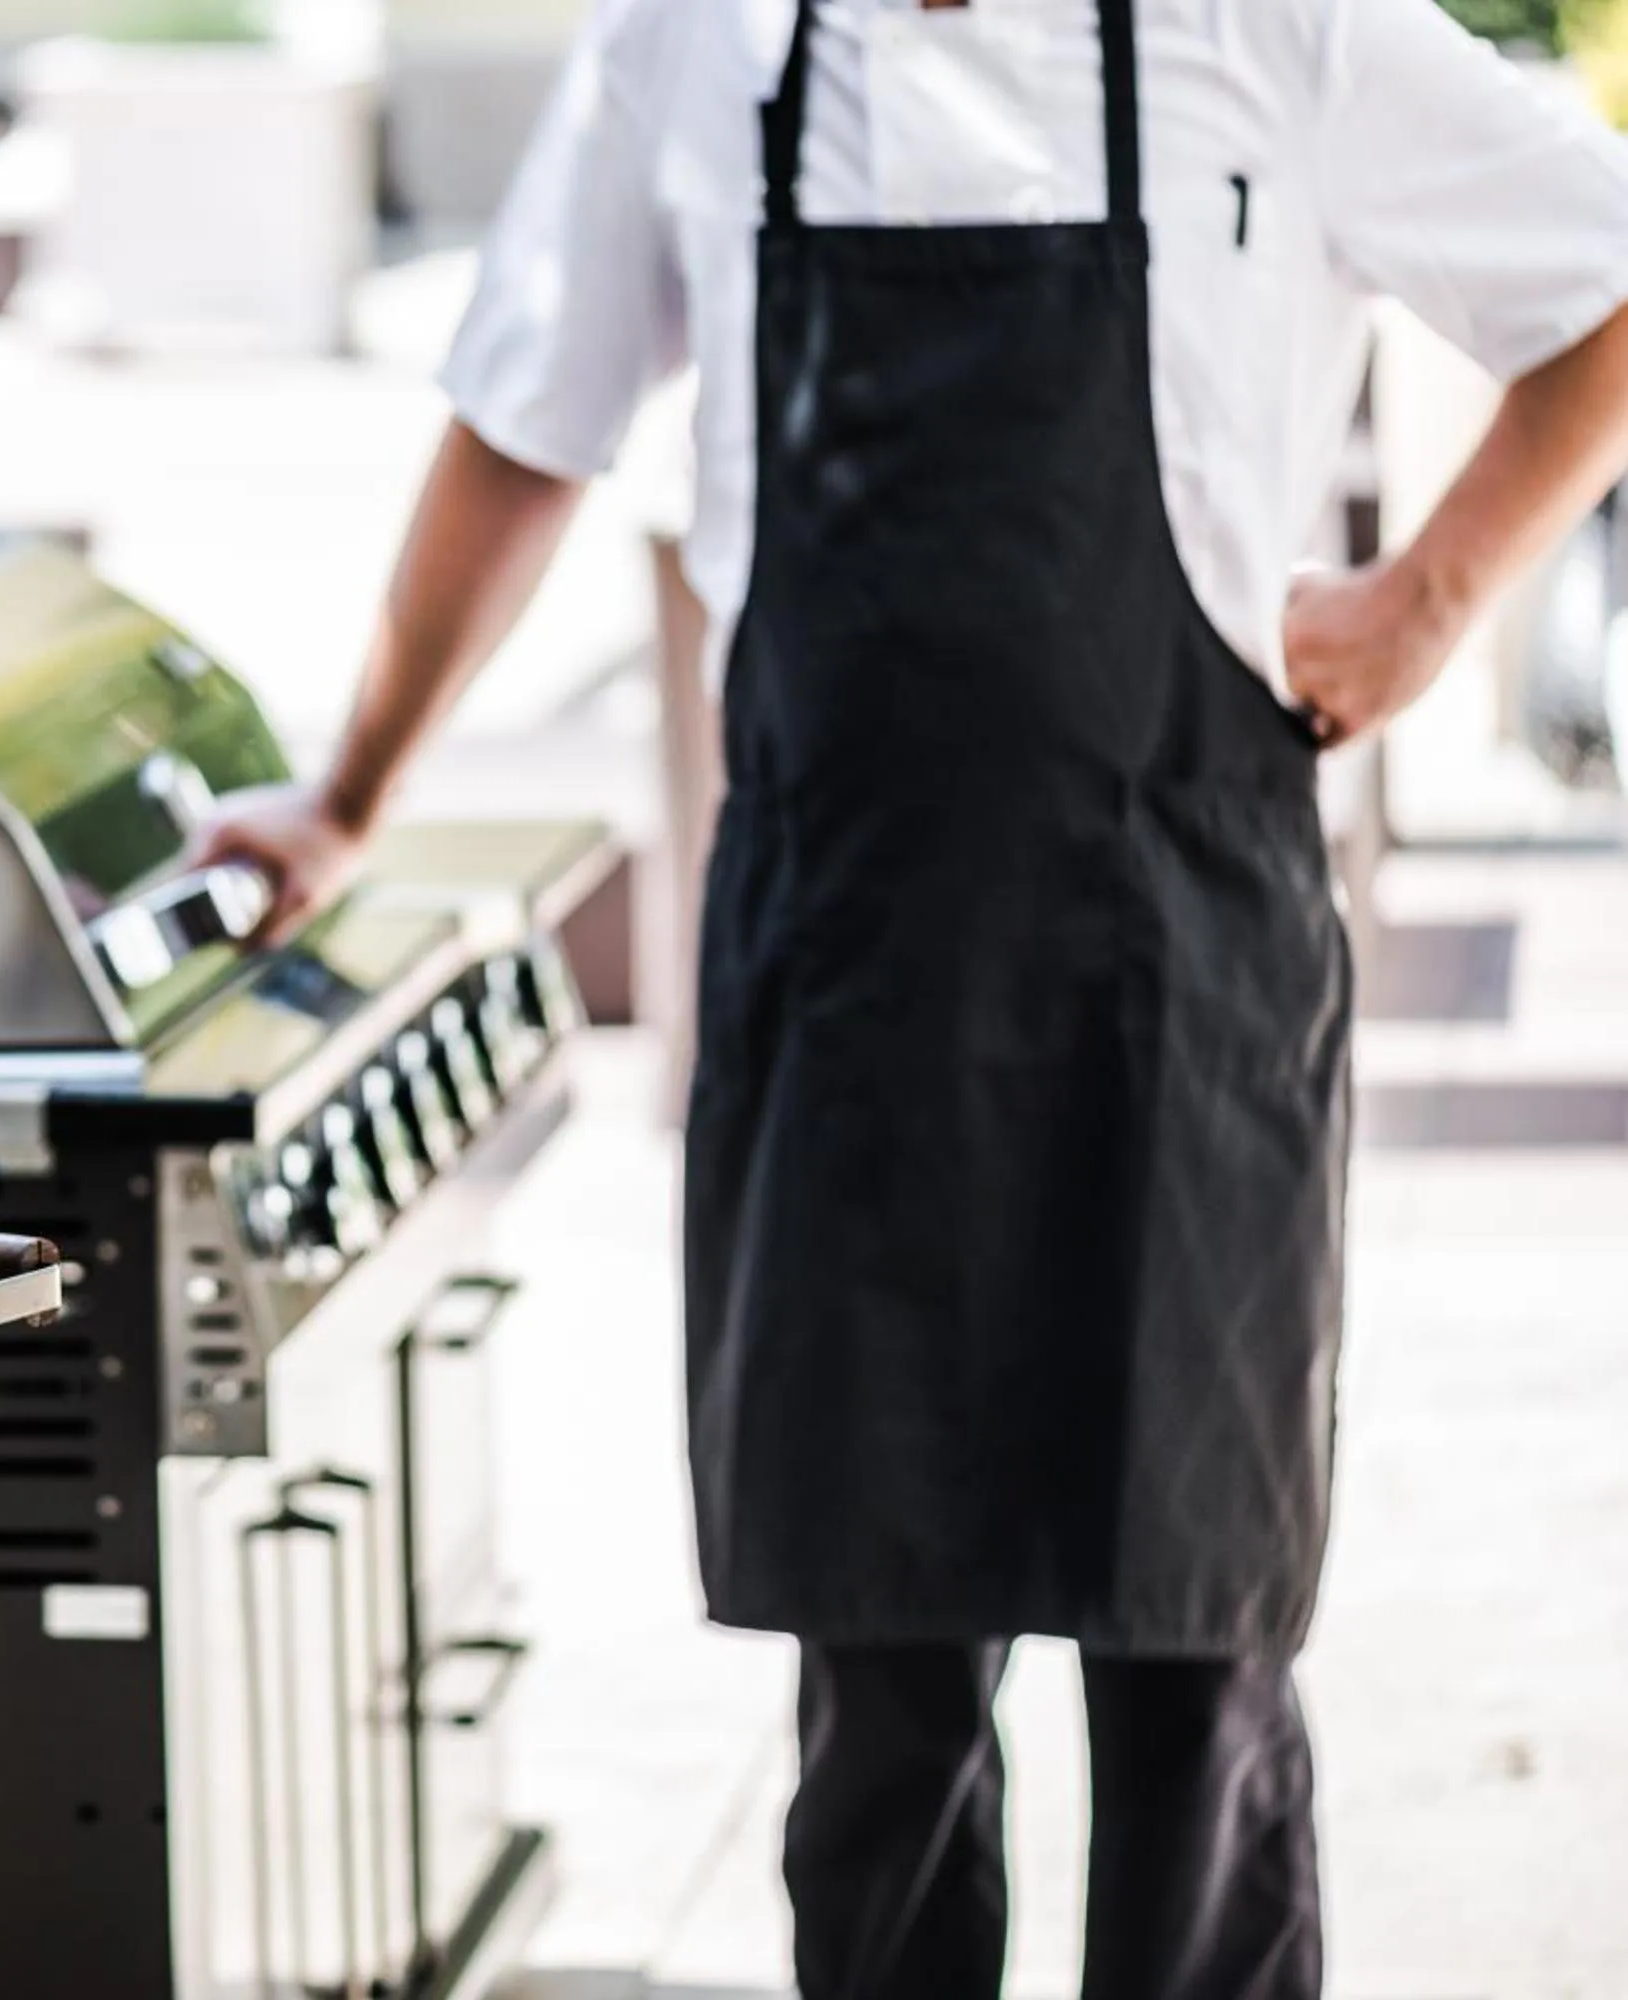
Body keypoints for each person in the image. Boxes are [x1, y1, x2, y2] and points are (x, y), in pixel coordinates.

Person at [187, 1, 1628, 1993]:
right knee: (880, 1714)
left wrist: (1428, 603)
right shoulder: (699, 49)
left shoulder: (1272, 30)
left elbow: (1606, 281)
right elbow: (525, 421)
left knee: (1190, 1681)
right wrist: (347, 794)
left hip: (1179, 996)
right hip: (850, 1000)